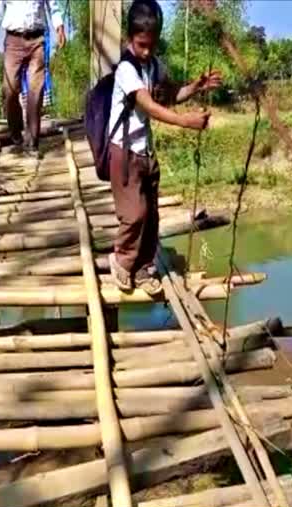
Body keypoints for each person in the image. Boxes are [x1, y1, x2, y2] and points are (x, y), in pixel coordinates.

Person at [107, 0, 223, 296]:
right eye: (141, 44)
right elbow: (149, 104)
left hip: (145, 150)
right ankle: (121, 260)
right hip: (123, 151)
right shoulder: (125, 69)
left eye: (152, 45)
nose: (147, 51)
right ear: (130, 38)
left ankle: (145, 267)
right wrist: (186, 122)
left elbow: (171, 96)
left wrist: (196, 87)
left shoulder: (154, 65)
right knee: (134, 214)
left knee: (152, 214)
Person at [0, 0, 66, 156]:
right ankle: (16, 134)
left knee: (35, 90)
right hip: (13, 40)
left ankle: (31, 142)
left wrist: (59, 26)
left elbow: (53, 5)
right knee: (10, 90)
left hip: (37, 40)